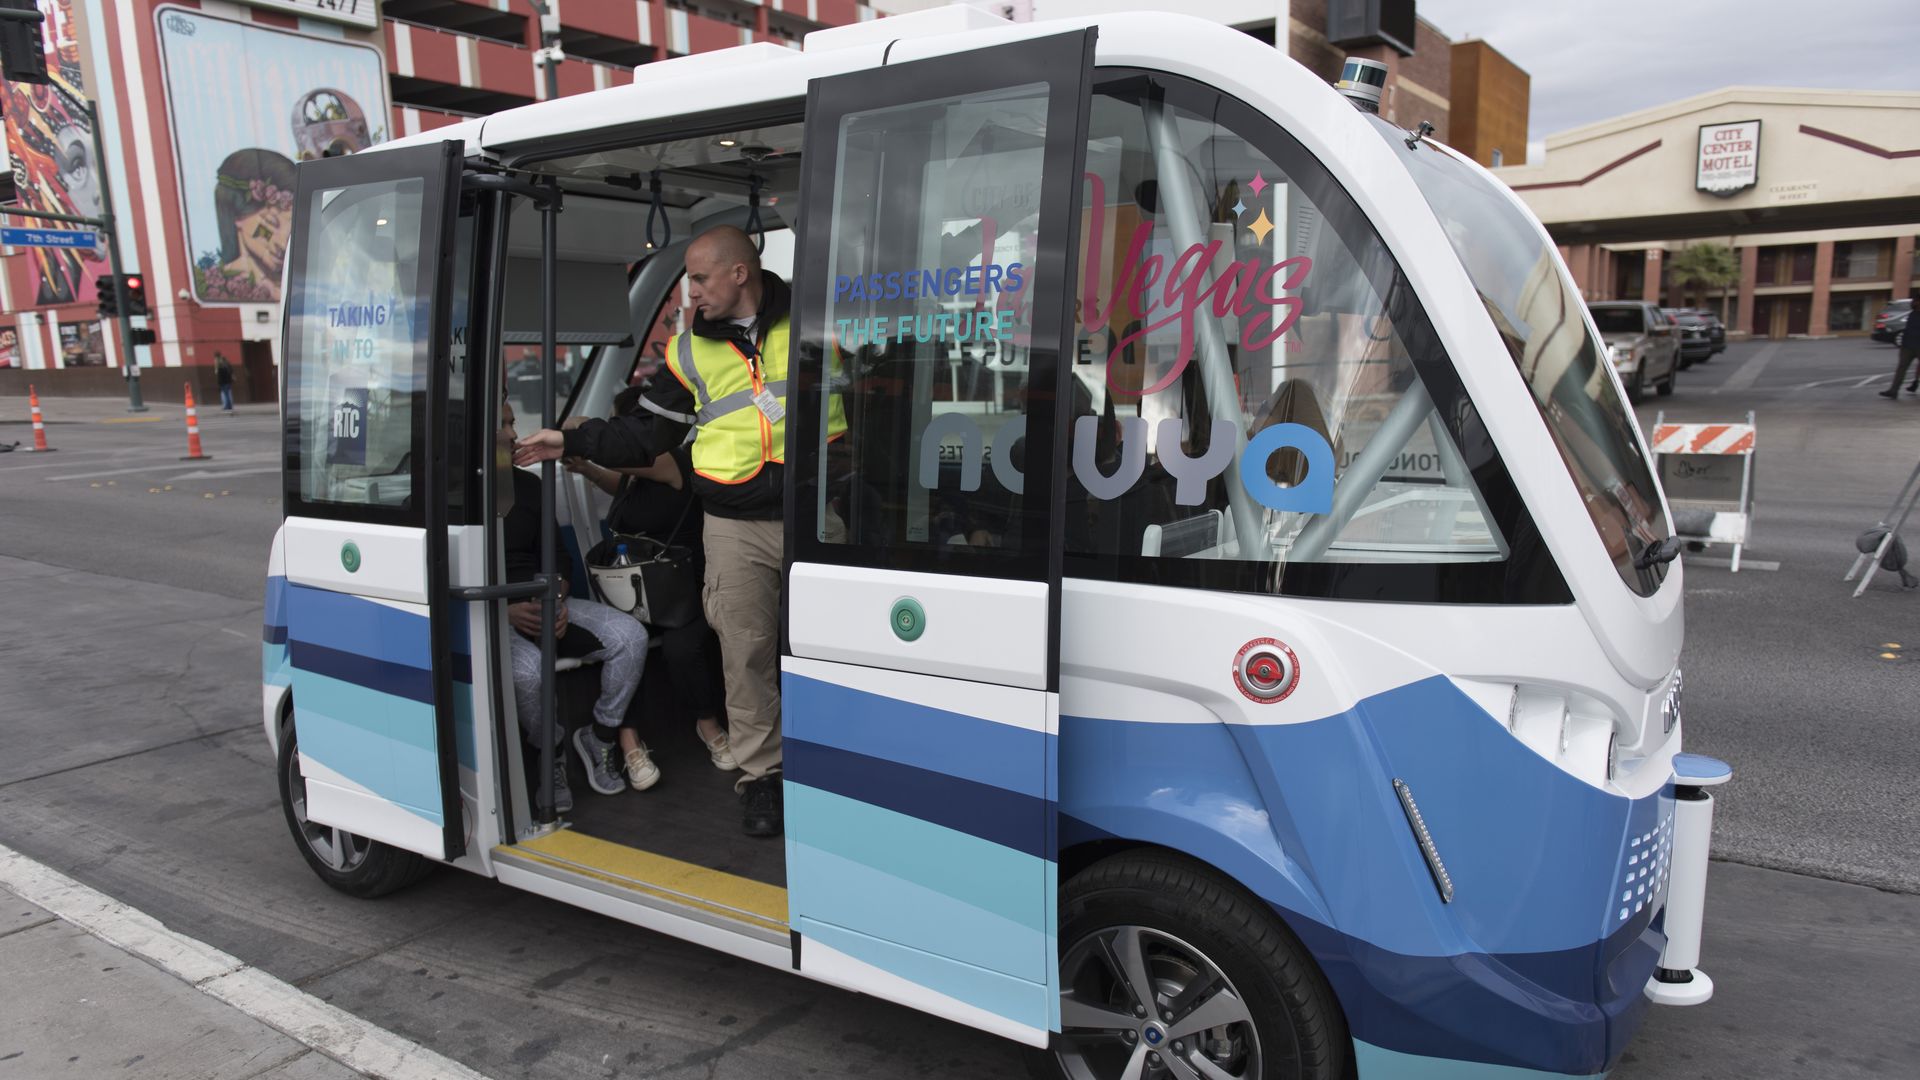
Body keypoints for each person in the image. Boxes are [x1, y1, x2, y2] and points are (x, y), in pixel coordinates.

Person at [516, 225, 845, 836]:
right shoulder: (689, 350)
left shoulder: (815, 321)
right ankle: (762, 777)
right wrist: (569, 439)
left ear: (739, 274)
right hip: (733, 526)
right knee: (744, 656)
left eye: (698, 279)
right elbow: (643, 434)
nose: (689, 294)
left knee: (836, 649)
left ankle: (841, 767)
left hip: (819, 518)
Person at [567, 383, 737, 791]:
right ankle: (628, 742)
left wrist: (588, 440)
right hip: (634, 591)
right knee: (629, 642)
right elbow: (619, 483)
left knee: (682, 647)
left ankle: (707, 722)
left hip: (679, 590)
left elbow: (578, 428)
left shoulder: (676, 461)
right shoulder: (632, 476)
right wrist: (590, 470)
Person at [501, 400, 648, 812]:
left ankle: (600, 734)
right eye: (504, 425)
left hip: (544, 600)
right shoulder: (452, 493)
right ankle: (553, 753)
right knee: (529, 674)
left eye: (513, 422)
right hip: (492, 612)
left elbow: (557, 557)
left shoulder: (529, 486)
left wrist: (558, 597)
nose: (514, 433)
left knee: (631, 637)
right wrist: (506, 610)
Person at [1879, 314, 1920, 399]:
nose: (1913, 302)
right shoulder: (1912, 314)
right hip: (1908, 346)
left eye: (1916, 301)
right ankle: (1893, 390)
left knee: (1902, 367)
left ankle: (1914, 383)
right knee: (1901, 368)